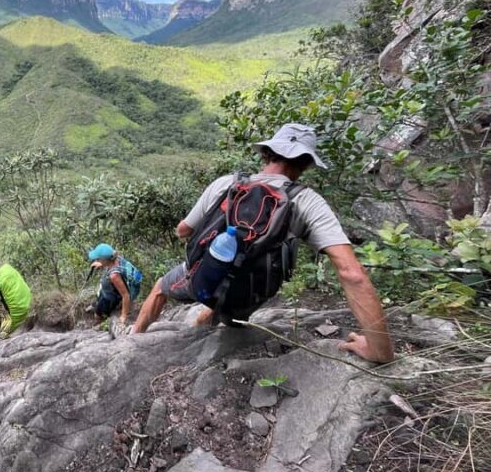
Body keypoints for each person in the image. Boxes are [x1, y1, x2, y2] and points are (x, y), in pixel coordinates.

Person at [132, 123, 395, 364]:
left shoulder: (226, 184)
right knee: (232, 306)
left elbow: (182, 231)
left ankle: (132, 339)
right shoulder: (307, 202)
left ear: (267, 153)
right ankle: (215, 320)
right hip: (248, 297)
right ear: (305, 164)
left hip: (200, 281)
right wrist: (379, 350)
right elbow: (352, 274)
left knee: (160, 288)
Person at [87, 243, 142, 325]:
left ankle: (100, 324)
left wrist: (123, 316)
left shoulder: (114, 276)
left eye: (98, 259)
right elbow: (110, 264)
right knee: (100, 299)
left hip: (111, 297)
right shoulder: (116, 259)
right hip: (111, 289)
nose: (97, 260)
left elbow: (125, 295)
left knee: (97, 315)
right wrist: (101, 264)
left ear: (105, 260)